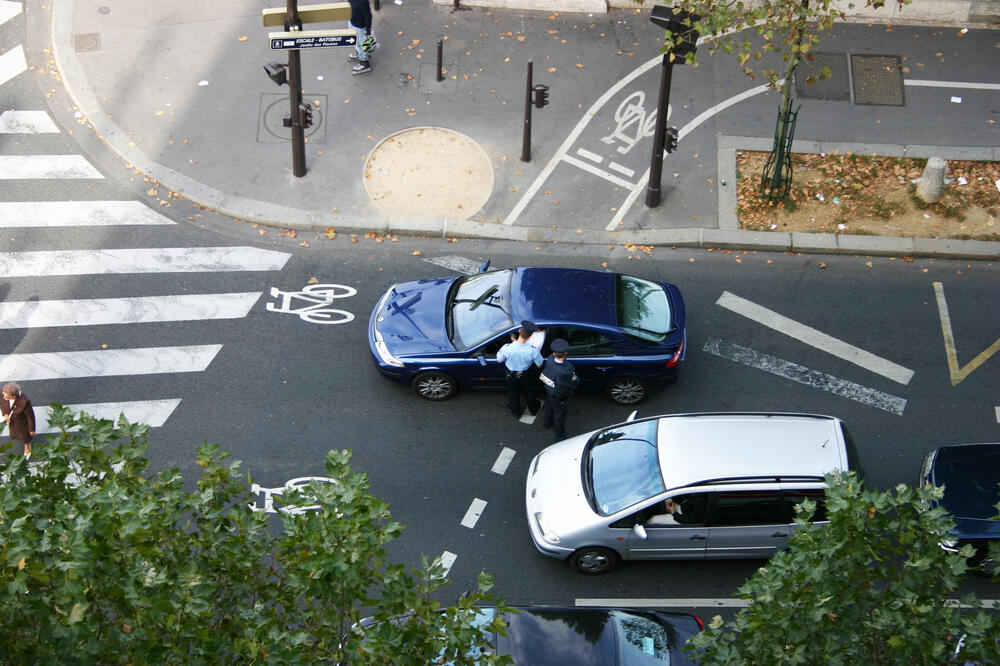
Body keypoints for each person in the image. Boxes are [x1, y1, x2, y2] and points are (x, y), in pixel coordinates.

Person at [497, 326, 544, 419]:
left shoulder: (507, 348)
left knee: (513, 392)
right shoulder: (533, 350)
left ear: (519, 331)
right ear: (530, 336)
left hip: (511, 375)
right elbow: (539, 365)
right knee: (529, 391)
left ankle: (516, 411)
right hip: (525, 374)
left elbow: (499, 360)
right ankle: (533, 409)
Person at [539, 338, 580, 441]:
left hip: (549, 390)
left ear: (554, 353)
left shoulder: (550, 359)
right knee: (559, 416)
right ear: (566, 353)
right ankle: (560, 437)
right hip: (559, 395)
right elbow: (573, 383)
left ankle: (547, 423)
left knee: (550, 406)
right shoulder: (567, 368)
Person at [2, 382, 36, 458]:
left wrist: (31, 429)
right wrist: (5, 413)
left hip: (21, 422)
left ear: (14, 396)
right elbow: (2, 403)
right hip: (12, 420)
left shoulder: (24, 402)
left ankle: (27, 446)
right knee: (14, 431)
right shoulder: (4, 394)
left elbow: (30, 416)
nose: (4, 397)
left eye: (6, 396)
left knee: (24, 435)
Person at [347, 0, 374, 76]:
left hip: (360, 27)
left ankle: (364, 63)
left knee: (361, 45)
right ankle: (360, 54)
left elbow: (368, 15)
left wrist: (368, 29)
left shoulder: (363, 2)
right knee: (356, 42)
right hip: (352, 21)